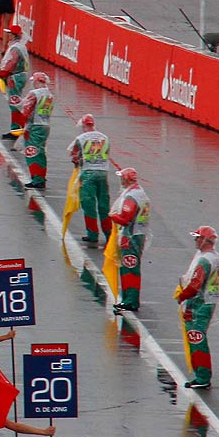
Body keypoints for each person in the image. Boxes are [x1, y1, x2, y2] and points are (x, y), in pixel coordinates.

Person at [173, 225, 219, 389]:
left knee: (196, 338)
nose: (195, 240)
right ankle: (201, 375)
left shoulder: (204, 260)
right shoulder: (215, 257)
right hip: (208, 302)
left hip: (199, 305)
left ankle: (202, 377)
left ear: (205, 240)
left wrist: (182, 296)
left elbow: (195, 285)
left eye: (198, 237)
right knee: (197, 338)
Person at [107, 167, 149, 313]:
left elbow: (125, 219)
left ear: (125, 179)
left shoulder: (132, 196)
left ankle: (130, 300)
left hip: (130, 237)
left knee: (129, 268)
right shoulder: (141, 193)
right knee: (131, 267)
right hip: (138, 235)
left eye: (122, 177)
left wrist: (112, 216)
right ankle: (130, 299)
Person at [66, 114, 112, 245]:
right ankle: (109, 234)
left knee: (89, 204)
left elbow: (74, 156)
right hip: (103, 173)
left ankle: (93, 234)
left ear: (84, 125)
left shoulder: (81, 138)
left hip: (88, 173)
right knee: (104, 205)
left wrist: (77, 162)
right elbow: (107, 154)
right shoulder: (105, 138)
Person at [13, 72, 55, 188]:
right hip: (45, 125)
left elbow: (26, 110)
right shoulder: (50, 95)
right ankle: (41, 177)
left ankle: (36, 178)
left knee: (32, 152)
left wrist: (22, 126)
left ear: (37, 81)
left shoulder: (34, 93)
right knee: (41, 152)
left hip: (35, 125)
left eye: (33, 81)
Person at [0, 23, 31, 134]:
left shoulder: (16, 48)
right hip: (20, 76)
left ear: (13, 35)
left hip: (16, 77)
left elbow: (13, 61)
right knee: (15, 101)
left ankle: (16, 129)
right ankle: (17, 128)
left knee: (14, 102)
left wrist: (4, 73)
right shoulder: (21, 46)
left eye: (9, 34)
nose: (8, 36)